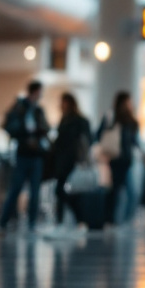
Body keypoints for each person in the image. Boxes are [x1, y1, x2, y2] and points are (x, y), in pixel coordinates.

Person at [0, 80, 50, 233]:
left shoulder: (38, 110)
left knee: (35, 191)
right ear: (34, 91)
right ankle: (4, 221)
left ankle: (31, 223)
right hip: (23, 154)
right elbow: (8, 126)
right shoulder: (19, 107)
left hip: (36, 155)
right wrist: (23, 136)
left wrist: (39, 134)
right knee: (15, 189)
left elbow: (46, 127)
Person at [96, 91, 139, 225]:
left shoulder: (130, 120)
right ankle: (111, 220)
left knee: (127, 192)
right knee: (115, 191)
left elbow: (133, 141)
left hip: (126, 160)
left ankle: (122, 220)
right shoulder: (111, 116)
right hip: (115, 159)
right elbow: (99, 135)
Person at [50, 93, 91, 227]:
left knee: (61, 190)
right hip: (62, 161)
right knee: (60, 190)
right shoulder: (64, 119)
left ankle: (74, 219)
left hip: (72, 160)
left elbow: (86, 140)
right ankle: (66, 220)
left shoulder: (78, 121)